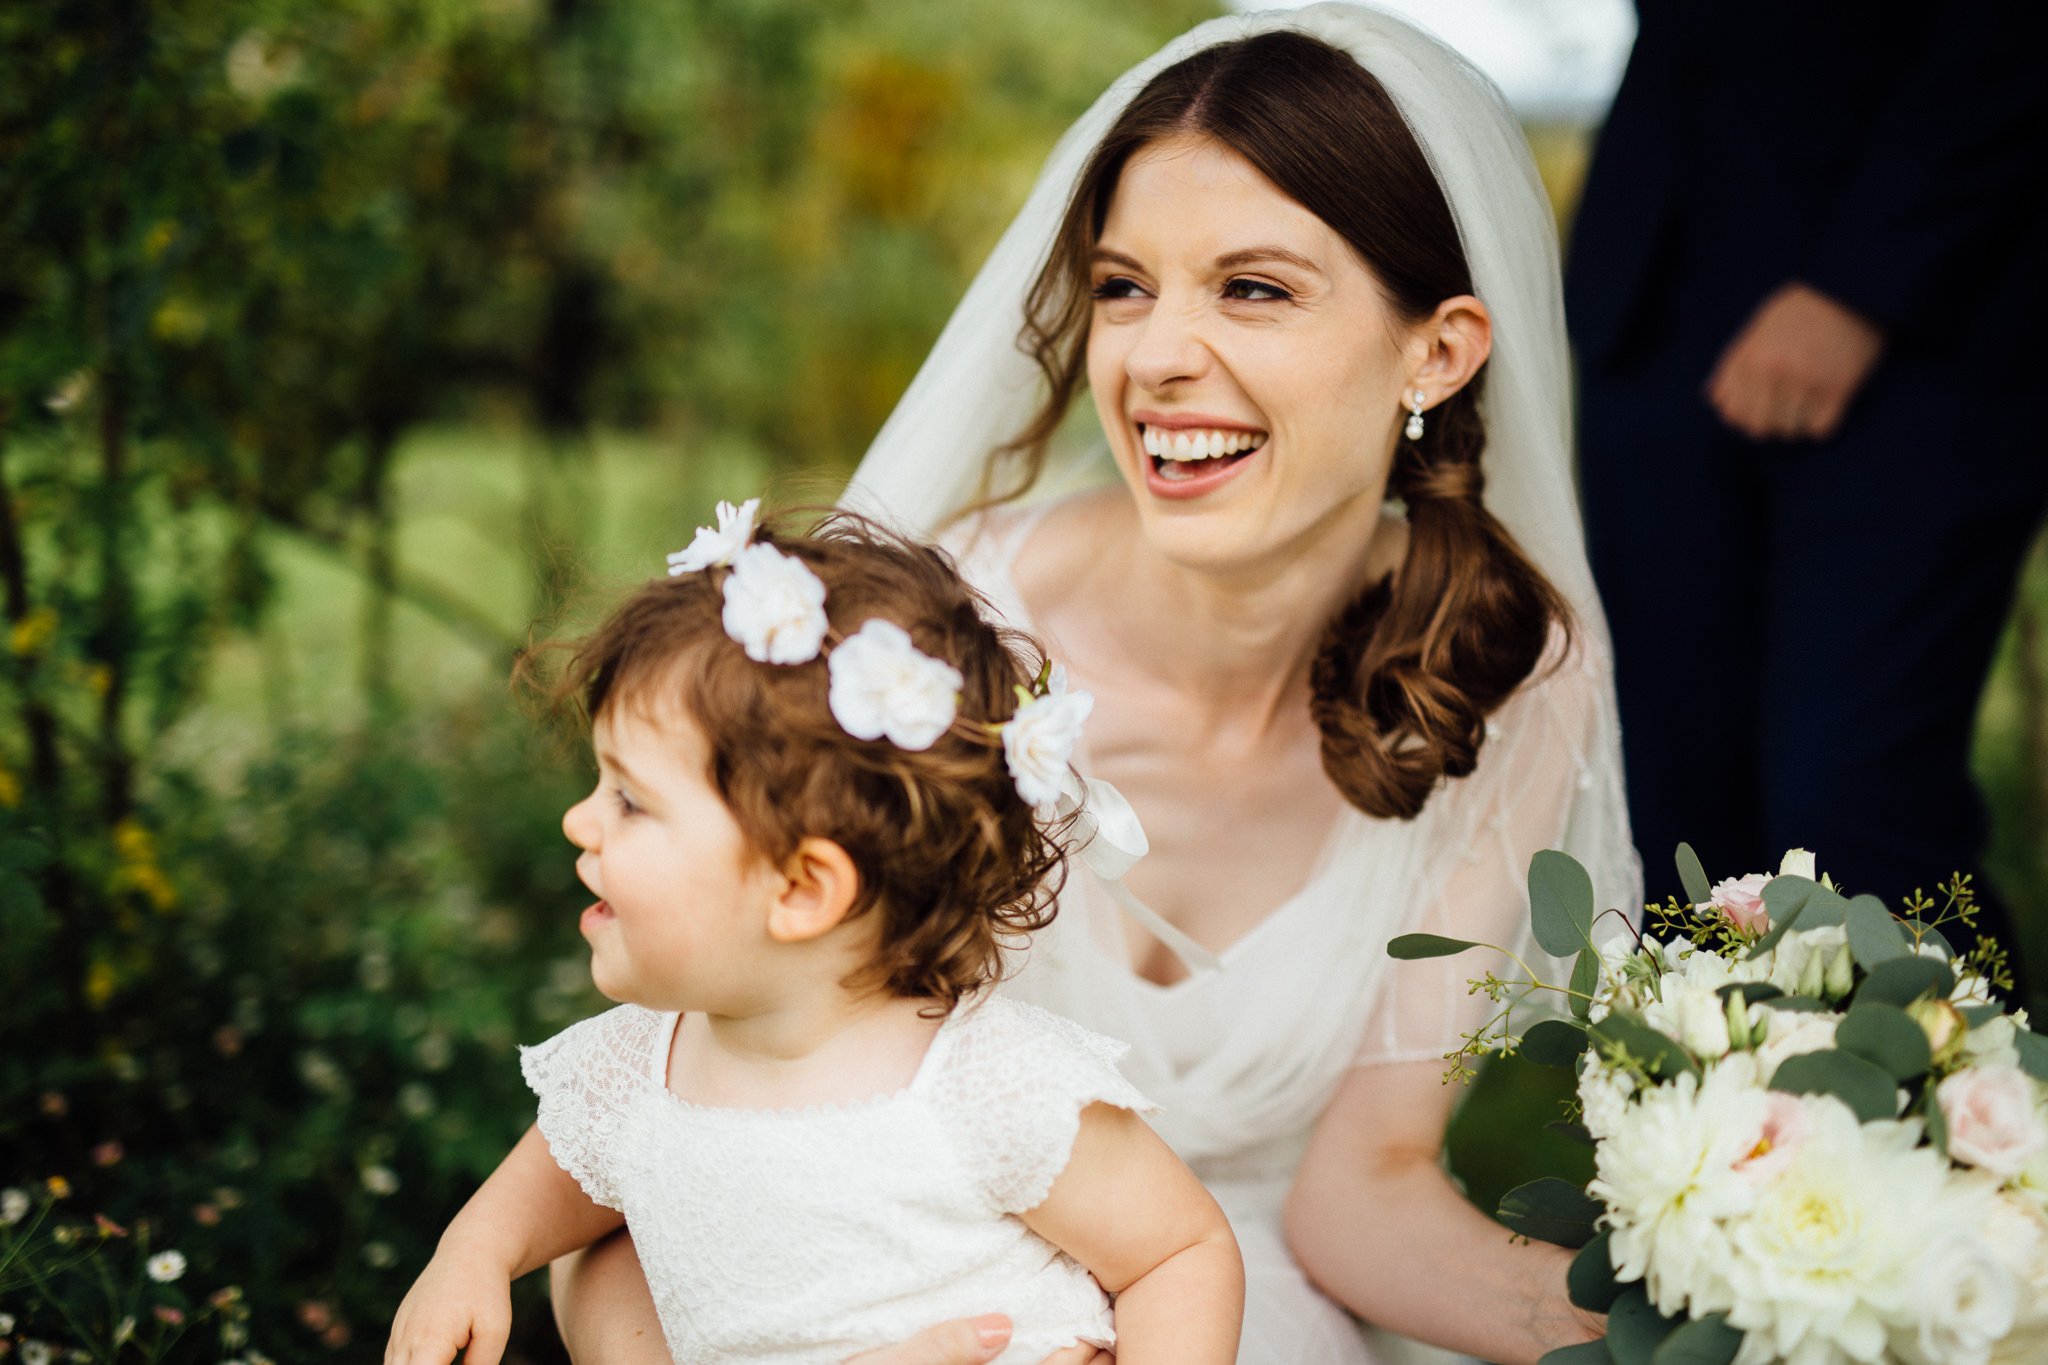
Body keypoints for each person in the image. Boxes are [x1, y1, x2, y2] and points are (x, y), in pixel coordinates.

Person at [554, 6, 1640, 1363]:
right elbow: (644, 1154)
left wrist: (1704, 1323)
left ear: (1438, 349)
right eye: (1125, 287)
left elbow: (1361, 1198)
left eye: (1253, 288)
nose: (1154, 357)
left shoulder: (1509, 684)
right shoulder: (918, 654)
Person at [386, 506, 1244, 1364]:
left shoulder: (983, 1090)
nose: (580, 820)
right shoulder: (639, 1070)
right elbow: (551, 1185)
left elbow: (1180, 1252)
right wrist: (474, 1255)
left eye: (630, 799)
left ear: (800, 888)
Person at [1567, 0, 2048, 989]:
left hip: (1914, 328)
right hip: (1653, 290)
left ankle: (1944, 1138)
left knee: (1853, 816)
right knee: (1669, 822)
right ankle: (1688, 1135)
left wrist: (1863, 286)